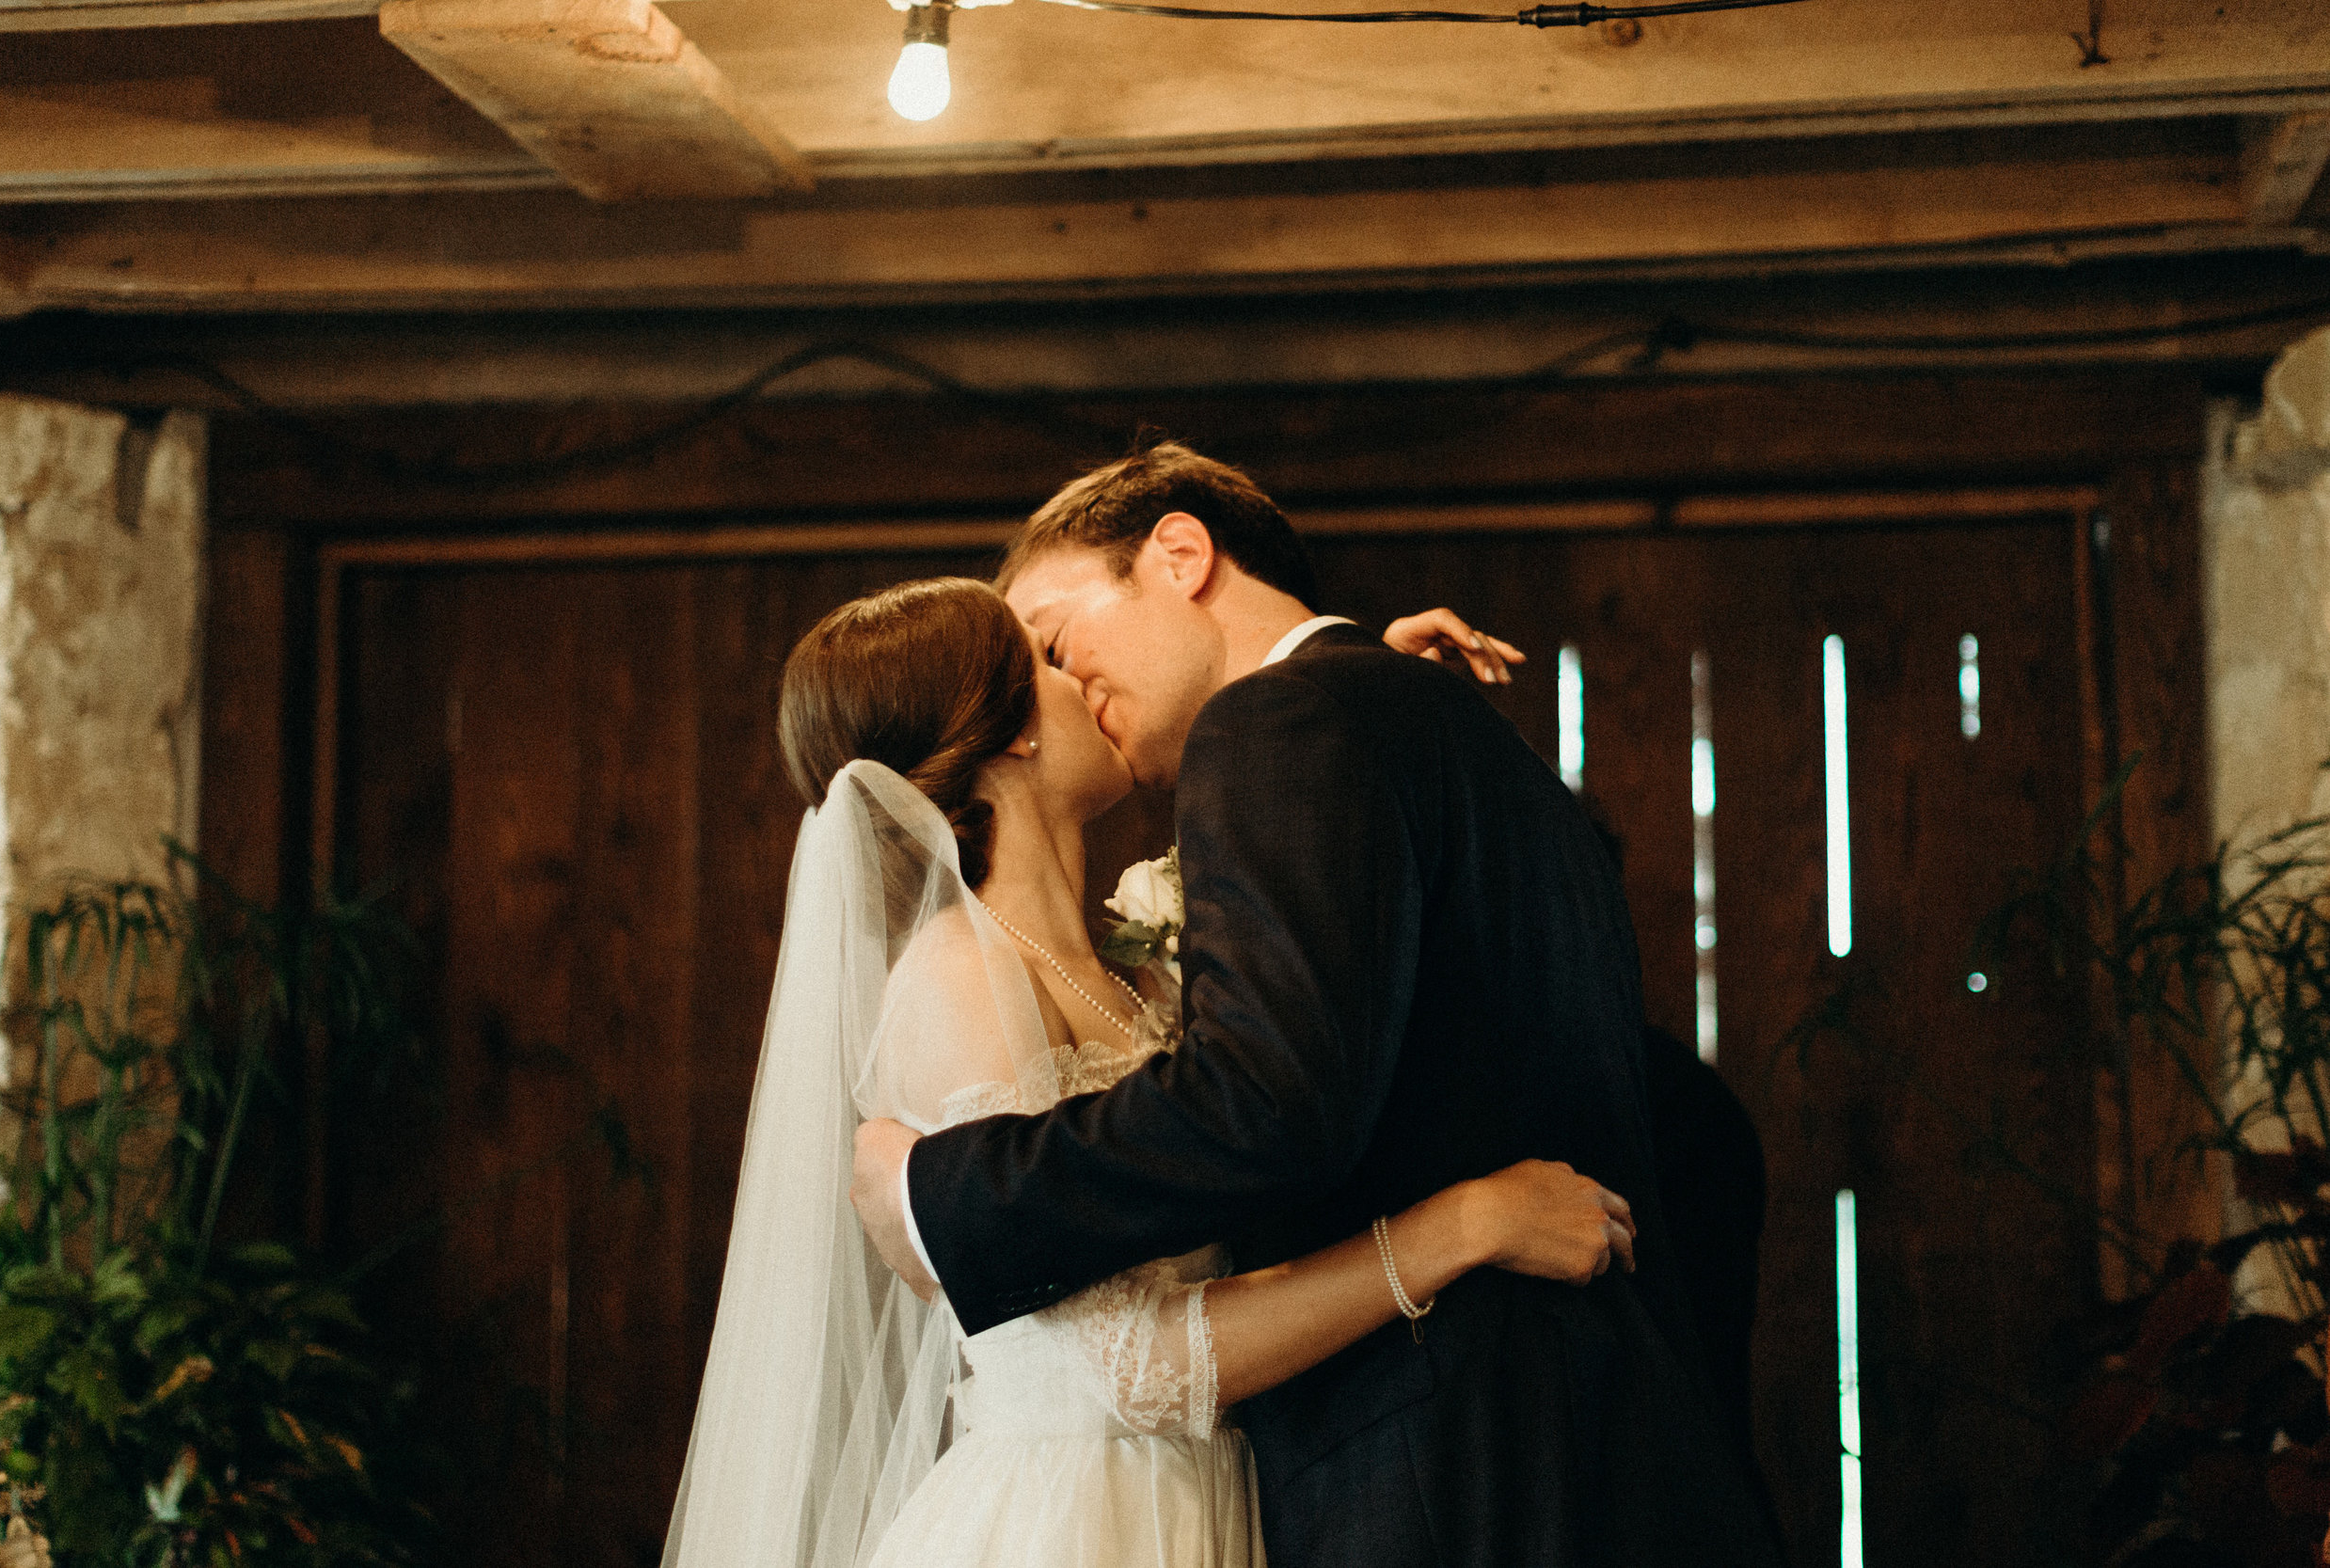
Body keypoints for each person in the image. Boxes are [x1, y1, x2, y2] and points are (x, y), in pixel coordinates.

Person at [849, 444, 1785, 1566]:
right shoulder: (1418, 723)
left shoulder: (1281, 725)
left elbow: (1265, 1100)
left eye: (1052, 638)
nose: (1060, 683)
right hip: (1566, 1437)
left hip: (1440, 1463)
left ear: (1181, 555)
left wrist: (938, 1196)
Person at [662, 574, 1641, 1568]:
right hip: (1078, 1523)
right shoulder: (957, 980)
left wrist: (1375, 702)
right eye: (1047, 659)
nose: (1082, 672)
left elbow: (1276, 1059)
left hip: (1210, 1498)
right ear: (1014, 736)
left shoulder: (1127, 971)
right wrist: (1456, 1230)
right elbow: (1118, 1369)